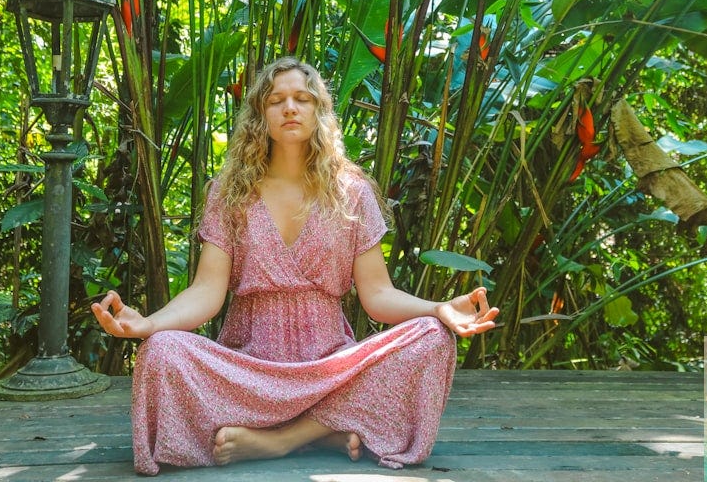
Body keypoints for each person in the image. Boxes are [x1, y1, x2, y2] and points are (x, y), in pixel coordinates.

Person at [92, 56, 499, 475]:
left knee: (432, 337)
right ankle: (323, 432)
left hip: (330, 371)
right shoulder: (229, 192)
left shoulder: (351, 192)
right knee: (161, 349)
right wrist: (149, 325)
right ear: (259, 114)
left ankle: (283, 440)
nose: (290, 108)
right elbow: (206, 292)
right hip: (248, 372)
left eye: (302, 98)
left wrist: (438, 309)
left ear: (318, 111)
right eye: (276, 100)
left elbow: (377, 296)